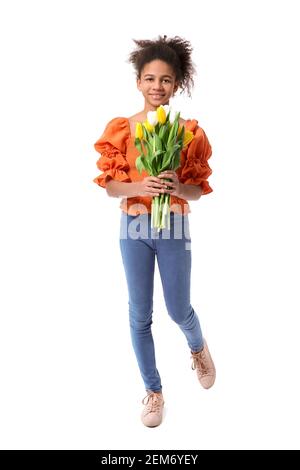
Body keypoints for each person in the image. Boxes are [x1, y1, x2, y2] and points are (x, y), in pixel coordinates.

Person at [93, 35, 216, 428]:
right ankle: (154, 391)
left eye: (165, 80)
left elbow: (197, 191)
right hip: (133, 226)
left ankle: (197, 346)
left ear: (176, 84)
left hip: (174, 225)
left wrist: (178, 188)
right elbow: (111, 186)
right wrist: (138, 188)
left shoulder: (188, 133)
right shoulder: (123, 129)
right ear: (138, 82)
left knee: (179, 308)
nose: (157, 87)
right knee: (139, 314)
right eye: (149, 79)